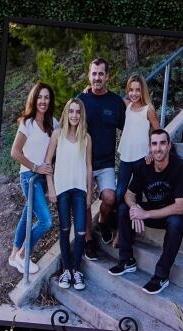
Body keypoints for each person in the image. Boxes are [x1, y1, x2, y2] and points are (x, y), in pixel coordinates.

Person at [108, 129, 183, 295]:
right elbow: (129, 195)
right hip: (157, 213)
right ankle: (126, 260)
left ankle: (161, 275)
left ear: (169, 146)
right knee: (124, 208)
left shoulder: (180, 167)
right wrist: (134, 208)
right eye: (154, 144)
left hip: (180, 217)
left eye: (162, 143)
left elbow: (180, 207)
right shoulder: (144, 167)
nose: (158, 148)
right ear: (150, 147)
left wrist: (145, 214)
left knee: (175, 222)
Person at [78, 58, 126, 260]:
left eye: (101, 74)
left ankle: (104, 220)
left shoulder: (115, 102)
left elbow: (128, 128)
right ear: (90, 75)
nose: (97, 78)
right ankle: (89, 240)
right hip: (83, 163)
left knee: (110, 197)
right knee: (85, 203)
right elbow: (67, 129)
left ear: (107, 76)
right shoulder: (80, 100)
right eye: (94, 73)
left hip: (106, 163)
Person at [44, 96, 93, 291]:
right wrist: (51, 187)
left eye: (78, 111)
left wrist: (90, 192)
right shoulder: (57, 135)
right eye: (71, 111)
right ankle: (66, 270)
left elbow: (89, 167)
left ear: (82, 114)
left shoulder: (86, 138)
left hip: (80, 189)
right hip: (62, 189)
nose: (74, 115)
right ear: (66, 113)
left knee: (81, 231)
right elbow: (48, 162)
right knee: (64, 229)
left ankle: (76, 269)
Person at [7, 82, 54, 275]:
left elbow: (70, 121)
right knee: (45, 221)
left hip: (42, 178)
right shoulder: (27, 123)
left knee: (28, 214)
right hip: (29, 177)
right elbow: (15, 152)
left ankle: (12, 256)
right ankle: (22, 253)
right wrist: (35, 167)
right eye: (40, 97)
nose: (43, 101)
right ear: (34, 99)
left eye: (46, 97)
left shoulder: (53, 123)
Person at [116, 74, 159, 202]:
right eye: (131, 90)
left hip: (142, 157)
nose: (134, 93)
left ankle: (137, 220)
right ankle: (118, 219)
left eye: (137, 90)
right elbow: (110, 96)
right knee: (119, 192)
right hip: (126, 156)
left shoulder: (148, 110)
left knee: (137, 193)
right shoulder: (127, 104)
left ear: (143, 91)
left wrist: (152, 151)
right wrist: (89, 88)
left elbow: (160, 132)